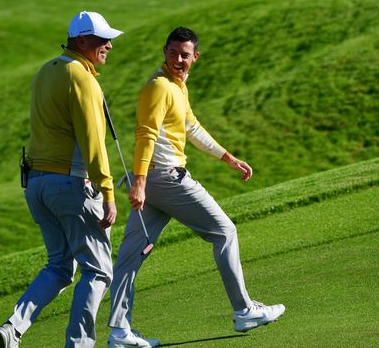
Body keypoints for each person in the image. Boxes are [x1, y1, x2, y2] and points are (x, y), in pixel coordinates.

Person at [106, 27, 285, 348]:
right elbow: (145, 133)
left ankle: (119, 332)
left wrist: (227, 157)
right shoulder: (159, 87)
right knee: (224, 232)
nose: (178, 60)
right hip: (164, 179)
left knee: (130, 258)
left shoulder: (177, 87)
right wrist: (141, 182)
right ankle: (243, 310)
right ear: (165, 52)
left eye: (184, 55)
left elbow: (191, 126)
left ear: (195, 58)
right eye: (173, 53)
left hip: (153, 183)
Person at [0, 11, 123, 348]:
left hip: (36, 185)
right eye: (100, 40)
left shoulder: (46, 71)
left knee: (60, 265)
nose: (108, 45)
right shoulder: (82, 78)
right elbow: (94, 142)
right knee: (98, 271)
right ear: (81, 41)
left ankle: (13, 329)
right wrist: (107, 191)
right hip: (70, 185)